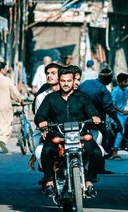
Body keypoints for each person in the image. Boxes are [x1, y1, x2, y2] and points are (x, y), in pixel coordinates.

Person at [34, 66, 103, 198]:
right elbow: (39, 116)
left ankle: (89, 182)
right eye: (63, 81)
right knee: (46, 151)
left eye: (69, 81)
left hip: (80, 135)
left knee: (96, 152)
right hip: (57, 135)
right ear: (59, 81)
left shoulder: (82, 97)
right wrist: (41, 122)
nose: (66, 84)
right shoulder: (50, 98)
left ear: (73, 82)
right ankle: (49, 181)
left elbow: (93, 112)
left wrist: (95, 117)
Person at [80, 68, 124, 161]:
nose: (111, 80)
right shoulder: (104, 91)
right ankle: (100, 167)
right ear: (107, 79)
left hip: (80, 120)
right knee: (103, 142)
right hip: (96, 122)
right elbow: (110, 109)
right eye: (110, 78)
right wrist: (118, 123)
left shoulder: (86, 82)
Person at [28, 62, 62, 172]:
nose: (49, 76)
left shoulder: (68, 93)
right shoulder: (41, 97)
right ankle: (48, 178)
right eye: (47, 73)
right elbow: (39, 117)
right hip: (47, 131)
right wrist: (44, 127)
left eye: (53, 73)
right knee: (39, 151)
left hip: (66, 130)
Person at [0, 61, 24, 153]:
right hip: (4, 106)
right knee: (6, 125)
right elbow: (15, 93)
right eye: (5, 69)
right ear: (2, 70)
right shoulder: (7, 80)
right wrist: (20, 100)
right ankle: (3, 140)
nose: (6, 70)